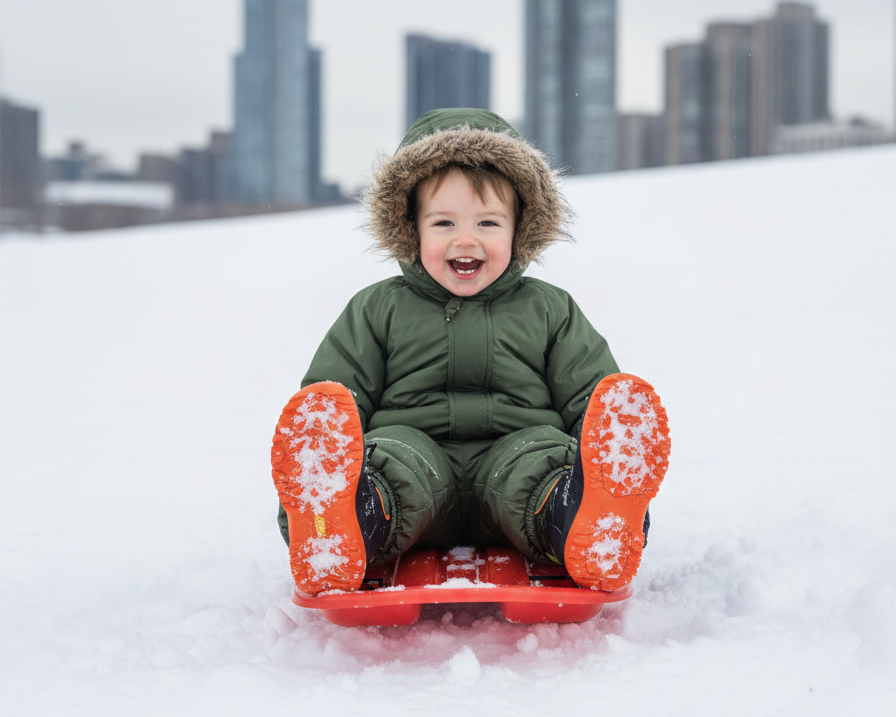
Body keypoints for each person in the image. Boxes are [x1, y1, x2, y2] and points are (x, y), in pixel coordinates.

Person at [271, 108, 670, 597]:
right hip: (416, 466)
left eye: (487, 221)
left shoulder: (548, 309)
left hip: (515, 465)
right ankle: (338, 525)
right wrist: (318, 465)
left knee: (542, 457)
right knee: (390, 459)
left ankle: (587, 518)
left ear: (518, 229)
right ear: (409, 228)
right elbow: (335, 403)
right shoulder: (379, 308)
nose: (466, 239)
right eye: (443, 222)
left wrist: (601, 449)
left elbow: (590, 399)